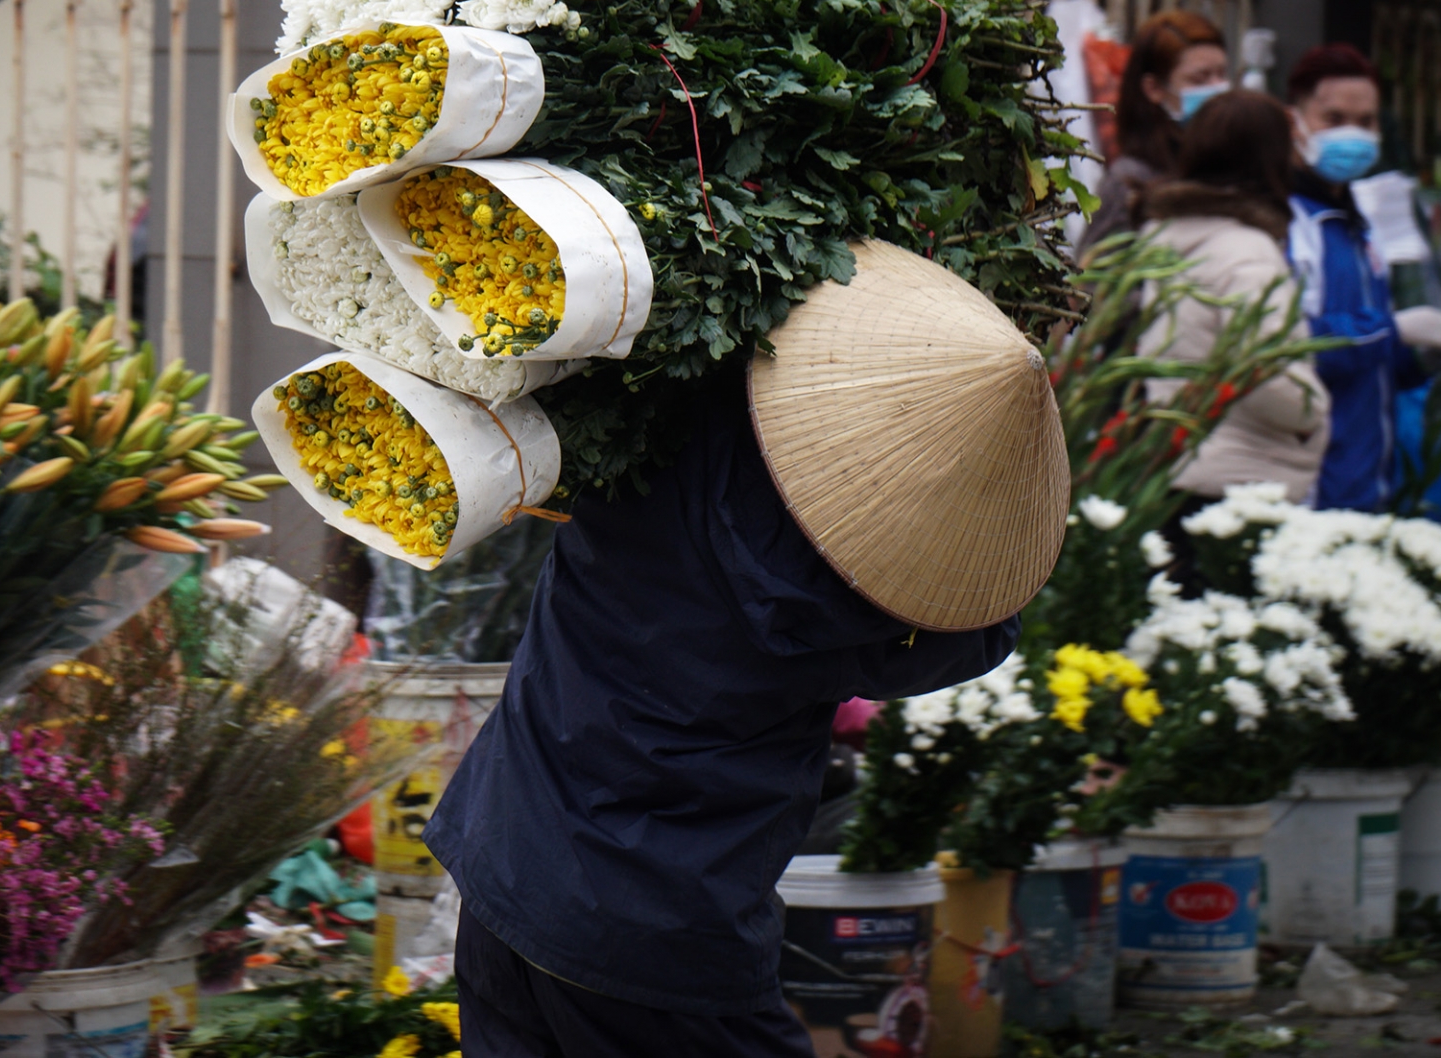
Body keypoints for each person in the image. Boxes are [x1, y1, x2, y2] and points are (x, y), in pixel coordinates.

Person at [422, 380, 1022, 1057]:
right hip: (656, 930)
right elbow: (978, 629)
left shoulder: (649, 421)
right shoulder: (841, 576)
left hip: (509, 862)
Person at [1133, 89, 1330, 505]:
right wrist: (1313, 412)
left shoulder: (1167, 238)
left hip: (1177, 465)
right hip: (1242, 480)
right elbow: (1260, 373)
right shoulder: (1247, 251)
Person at [1284, 43, 1439, 511]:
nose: (1352, 135)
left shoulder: (1358, 225)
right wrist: (1395, 329)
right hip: (1310, 489)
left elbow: (1371, 361)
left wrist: (1420, 357)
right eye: (1333, 119)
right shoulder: (1287, 223)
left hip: (1367, 482)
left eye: (1366, 122)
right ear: (1296, 122)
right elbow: (1290, 347)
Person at [1080, 10, 1229, 252]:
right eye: (1199, 79)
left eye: (1221, 75)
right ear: (1154, 88)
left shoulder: (1225, 166)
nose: (1217, 90)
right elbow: (1099, 278)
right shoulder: (1130, 181)